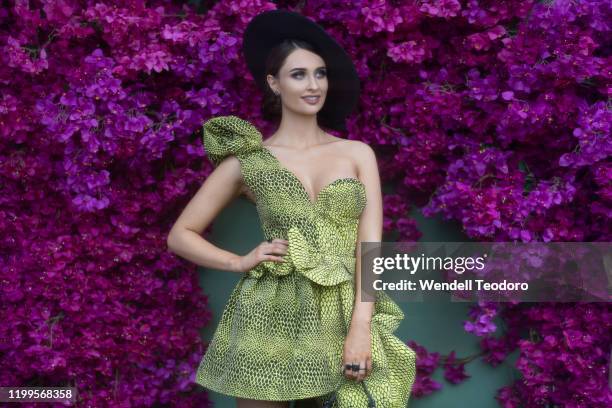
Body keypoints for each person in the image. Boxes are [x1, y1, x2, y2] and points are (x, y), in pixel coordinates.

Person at [167, 10, 416, 408]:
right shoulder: (248, 160)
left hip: (342, 311)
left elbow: (371, 250)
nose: (314, 85)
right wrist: (239, 261)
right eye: (299, 74)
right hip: (267, 312)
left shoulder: (356, 154)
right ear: (274, 83)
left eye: (320, 74)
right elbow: (180, 235)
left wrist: (361, 326)